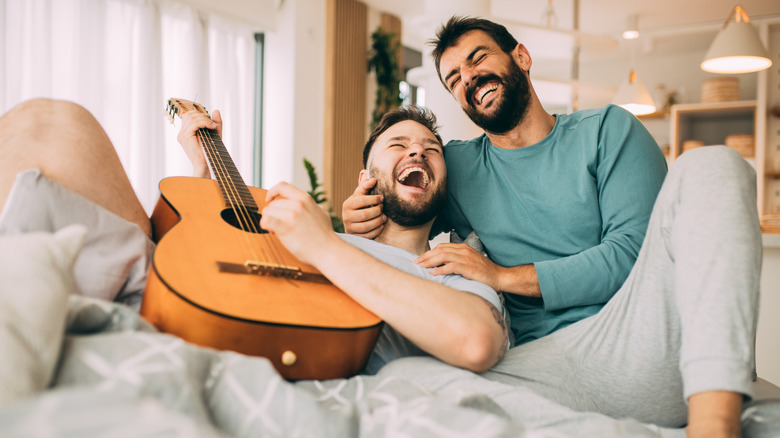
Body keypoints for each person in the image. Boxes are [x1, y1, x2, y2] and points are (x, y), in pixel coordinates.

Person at [342, 16, 761, 437]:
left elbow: (631, 254)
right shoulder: (457, 165)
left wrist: (502, 276)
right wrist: (361, 212)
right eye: (454, 78)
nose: (467, 77)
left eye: (478, 58)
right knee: (402, 381)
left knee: (713, 164)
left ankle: (715, 426)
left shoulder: (607, 131)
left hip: (637, 337)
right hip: (545, 368)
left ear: (521, 57)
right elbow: (409, 199)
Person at [0, 98, 507, 374]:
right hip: (178, 295)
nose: (417, 152)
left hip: (275, 341)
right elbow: (194, 248)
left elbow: (475, 339)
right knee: (49, 122)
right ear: (365, 178)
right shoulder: (316, 228)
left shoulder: (457, 266)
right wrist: (203, 174)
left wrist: (325, 245)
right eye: (399, 144)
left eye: (431, 149)